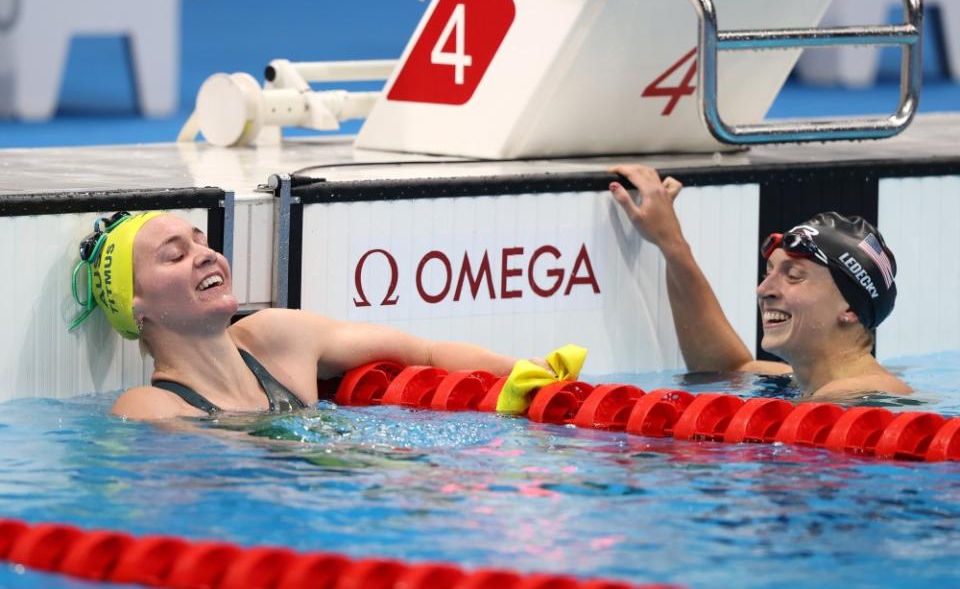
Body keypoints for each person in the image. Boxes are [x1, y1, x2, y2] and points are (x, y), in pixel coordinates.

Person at [70, 211, 520, 420]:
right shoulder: (149, 408)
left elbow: (426, 351)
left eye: (202, 242)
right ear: (136, 307)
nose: (207, 257)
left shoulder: (279, 337)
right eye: (175, 255)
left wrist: (523, 371)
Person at [607, 164, 911, 399]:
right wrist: (670, 242)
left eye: (793, 276)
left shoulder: (857, 394)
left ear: (851, 309)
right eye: (769, 273)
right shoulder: (805, 382)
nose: (763, 290)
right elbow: (724, 369)